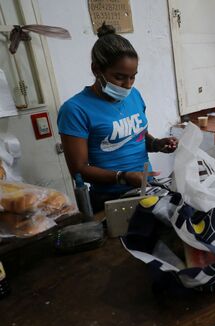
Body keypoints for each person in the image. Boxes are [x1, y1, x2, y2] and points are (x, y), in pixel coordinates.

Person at [58, 24, 178, 212]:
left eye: (133, 77)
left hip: (146, 188)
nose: (127, 85)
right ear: (97, 69)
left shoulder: (134, 96)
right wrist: (123, 176)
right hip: (110, 198)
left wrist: (156, 144)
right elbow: (79, 169)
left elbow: (137, 136)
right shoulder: (75, 110)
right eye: (119, 77)